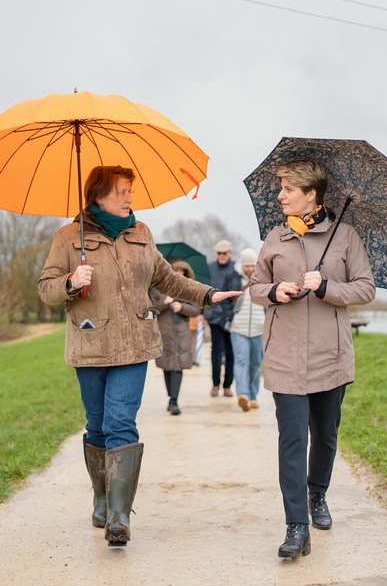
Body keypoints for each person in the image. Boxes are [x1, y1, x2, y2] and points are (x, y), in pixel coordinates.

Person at [37, 166, 242, 547]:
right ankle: (101, 497)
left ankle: (119, 516)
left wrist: (208, 294)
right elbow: (46, 288)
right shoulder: (68, 238)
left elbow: (167, 279)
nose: (129, 197)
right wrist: (70, 282)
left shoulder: (142, 233)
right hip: (90, 345)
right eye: (122, 191)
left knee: (120, 422)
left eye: (129, 190)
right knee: (97, 425)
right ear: (99, 196)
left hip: (134, 343)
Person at [248, 158, 375, 559]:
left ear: (311, 194)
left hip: (329, 357)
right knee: (291, 439)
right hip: (284, 355)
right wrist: (274, 291)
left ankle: (317, 494)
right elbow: (255, 287)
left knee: (325, 434)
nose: (280, 195)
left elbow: (365, 289)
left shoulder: (345, 236)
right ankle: (296, 527)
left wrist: (326, 287)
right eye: (280, 188)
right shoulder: (275, 237)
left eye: (288, 189)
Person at [151, 260, 201, 415]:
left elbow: (197, 311)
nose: (179, 275)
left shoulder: (190, 290)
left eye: (182, 272)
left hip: (181, 333)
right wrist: (165, 302)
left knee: (177, 366)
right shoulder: (158, 289)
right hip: (164, 332)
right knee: (167, 366)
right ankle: (171, 397)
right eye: (176, 271)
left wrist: (182, 307)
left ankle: (174, 401)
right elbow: (151, 309)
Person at [203, 239, 241, 397]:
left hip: (231, 315)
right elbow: (203, 290)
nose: (221, 256)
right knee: (216, 351)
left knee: (231, 352)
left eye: (224, 253)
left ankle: (227, 386)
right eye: (219, 253)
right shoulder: (210, 268)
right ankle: (215, 384)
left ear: (230, 253)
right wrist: (202, 313)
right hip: (214, 316)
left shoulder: (236, 268)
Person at [229, 248, 265, 412]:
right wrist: (228, 318)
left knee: (256, 364)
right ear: (242, 266)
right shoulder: (233, 278)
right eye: (247, 266)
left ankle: (253, 396)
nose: (250, 269)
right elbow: (224, 300)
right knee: (241, 361)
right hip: (238, 328)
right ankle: (242, 394)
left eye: (252, 265)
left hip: (259, 328)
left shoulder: (264, 278)